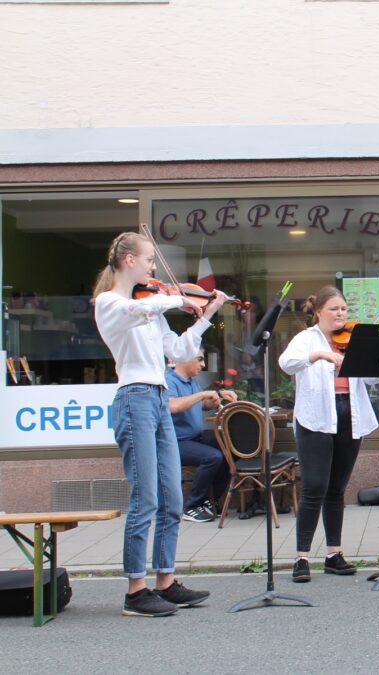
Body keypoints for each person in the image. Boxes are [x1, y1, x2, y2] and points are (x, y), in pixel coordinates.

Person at [93, 231, 227, 617]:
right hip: (133, 398)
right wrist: (175, 298)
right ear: (128, 261)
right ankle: (136, 589)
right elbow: (142, 312)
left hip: (157, 398)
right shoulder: (111, 303)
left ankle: (165, 581)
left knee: (171, 500)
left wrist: (209, 312)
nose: (155, 268)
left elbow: (181, 350)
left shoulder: (150, 306)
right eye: (150, 260)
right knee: (145, 498)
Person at [279, 286, 379, 583]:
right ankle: (301, 558)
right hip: (315, 418)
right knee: (314, 487)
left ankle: (333, 554)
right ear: (319, 312)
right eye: (335, 309)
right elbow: (286, 364)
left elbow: (372, 378)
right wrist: (320, 354)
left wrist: (376, 356)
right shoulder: (306, 339)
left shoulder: (352, 340)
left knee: (337, 488)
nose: (340, 314)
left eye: (344, 310)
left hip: (350, 415)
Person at [166, 351, 237, 523]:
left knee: (232, 450)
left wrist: (217, 397)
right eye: (199, 359)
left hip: (194, 438)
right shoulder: (168, 380)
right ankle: (192, 506)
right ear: (184, 359)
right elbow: (172, 406)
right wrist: (202, 395)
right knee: (213, 457)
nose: (203, 365)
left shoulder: (191, 381)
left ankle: (209, 501)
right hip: (175, 442)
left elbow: (203, 405)